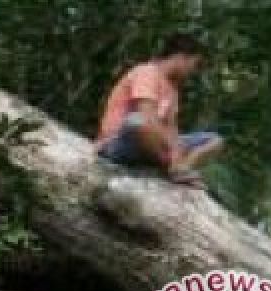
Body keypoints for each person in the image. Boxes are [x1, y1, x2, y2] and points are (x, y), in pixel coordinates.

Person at [95, 32, 224, 187]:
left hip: (153, 147)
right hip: (119, 143)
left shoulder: (173, 89)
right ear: (181, 57)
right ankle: (172, 167)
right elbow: (147, 115)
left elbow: (171, 126)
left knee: (214, 140)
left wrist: (176, 149)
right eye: (194, 64)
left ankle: (181, 168)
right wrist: (172, 150)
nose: (193, 71)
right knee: (137, 121)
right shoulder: (147, 72)